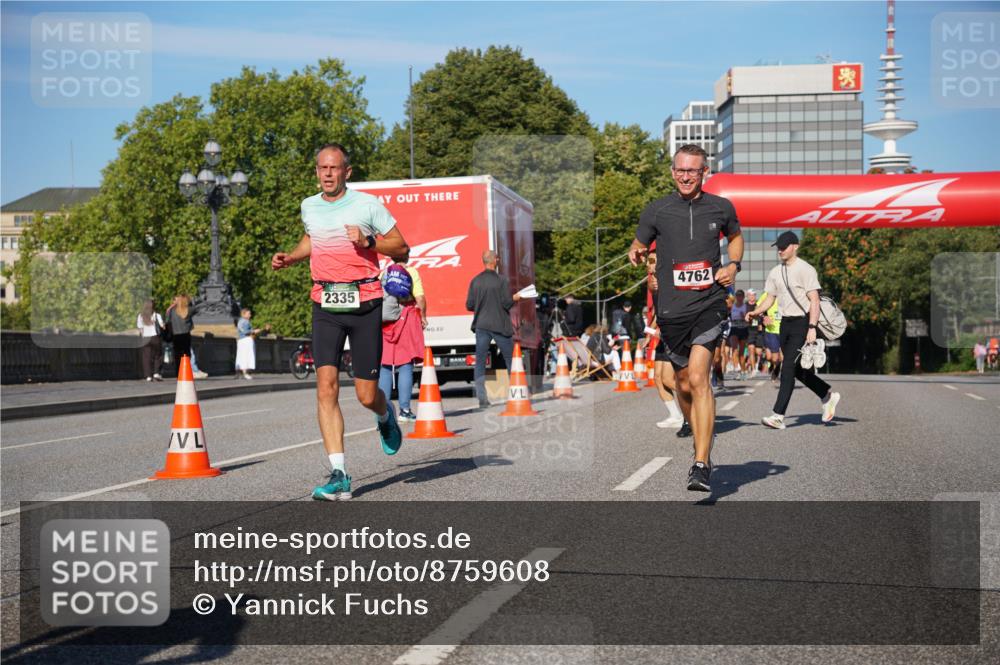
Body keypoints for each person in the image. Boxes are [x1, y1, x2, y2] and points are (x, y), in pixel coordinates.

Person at [271, 142, 409, 501]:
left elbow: (402, 247)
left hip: (364, 302)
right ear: (316, 172)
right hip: (326, 302)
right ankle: (340, 474)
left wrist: (368, 241)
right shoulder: (309, 206)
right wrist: (292, 257)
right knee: (325, 387)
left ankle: (384, 415)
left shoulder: (367, 206)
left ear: (347, 172)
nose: (327, 174)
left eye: (333, 168)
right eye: (321, 168)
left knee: (365, 395)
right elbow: (313, 239)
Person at [629, 143, 743, 492]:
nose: (686, 176)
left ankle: (701, 462)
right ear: (672, 172)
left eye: (693, 170)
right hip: (671, 311)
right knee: (680, 384)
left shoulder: (721, 207)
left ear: (703, 173)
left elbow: (736, 238)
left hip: (708, 304)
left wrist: (732, 265)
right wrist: (635, 252)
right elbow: (638, 243)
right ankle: (699, 439)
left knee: (698, 377)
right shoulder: (657, 210)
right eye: (681, 170)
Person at [746, 231, 841, 430]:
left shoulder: (806, 269)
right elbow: (770, 298)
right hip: (785, 324)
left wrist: (812, 327)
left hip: (802, 323)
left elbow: (814, 299)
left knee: (787, 366)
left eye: (784, 246)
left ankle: (778, 415)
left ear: (795, 246)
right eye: (778, 247)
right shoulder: (775, 272)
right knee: (796, 369)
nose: (780, 250)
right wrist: (756, 311)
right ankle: (827, 395)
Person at [466, 249, 523, 408]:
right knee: (511, 360)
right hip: (500, 325)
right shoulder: (502, 280)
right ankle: (517, 395)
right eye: (497, 257)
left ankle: (482, 399)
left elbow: (469, 305)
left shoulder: (475, 281)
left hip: (481, 326)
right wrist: (516, 298)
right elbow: (506, 303)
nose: (499, 259)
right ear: (494, 261)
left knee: (480, 362)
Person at [378, 252, 427, 422]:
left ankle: (382, 412)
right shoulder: (412, 272)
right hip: (405, 319)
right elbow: (420, 298)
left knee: (385, 366)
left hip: (385, 323)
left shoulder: (384, 273)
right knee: (405, 365)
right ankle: (405, 410)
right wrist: (423, 316)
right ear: (407, 257)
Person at [235, 308, 268, 380]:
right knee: (246, 356)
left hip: (241, 340)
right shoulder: (245, 321)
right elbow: (245, 332)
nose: (250, 315)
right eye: (248, 314)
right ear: (243, 314)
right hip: (246, 340)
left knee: (241, 357)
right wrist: (254, 331)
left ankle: (239, 373)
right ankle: (245, 373)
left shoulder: (240, 321)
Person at [137, 299, 165, 381]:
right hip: (155, 337)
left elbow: (140, 328)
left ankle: (148, 376)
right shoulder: (157, 315)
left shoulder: (140, 316)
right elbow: (162, 326)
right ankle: (156, 373)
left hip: (145, 337)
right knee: (157, 355)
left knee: (146, 357)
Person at [729, 290, 750, 379]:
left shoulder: (746, 307)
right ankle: (736, 369)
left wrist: (744, 317)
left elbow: (750, 320)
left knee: (741, 353)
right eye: (737, 296)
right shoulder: (732, 306)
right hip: (734, 328)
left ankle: (743, 370)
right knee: (734, 349)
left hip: (743, 329)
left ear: (743, 297)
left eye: (741, 296)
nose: (739, 297)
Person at [745, 289, 763, 378]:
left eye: (754, 295)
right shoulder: (745, 306)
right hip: (749, 331)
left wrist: (761, 323)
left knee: (759, 352)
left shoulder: (759, 306)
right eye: (751, 295)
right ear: (748, 296)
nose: (753, 297)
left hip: (759, 331)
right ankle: (753, 369)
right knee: (751, 349)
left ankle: (753, 363)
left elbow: (764, 316)